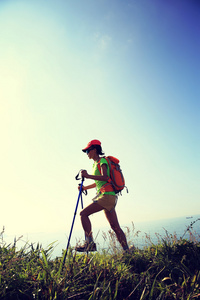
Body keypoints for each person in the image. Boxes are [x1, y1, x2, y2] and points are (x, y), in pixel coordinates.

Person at [75, 139, 129, 252]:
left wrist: (88, 176)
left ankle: (90, 244)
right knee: (115, 227)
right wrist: (85, 188)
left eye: (88, 151)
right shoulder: (95, 164)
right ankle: (127, 251)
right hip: (109, 196)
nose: (87, 153)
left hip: (106, 196)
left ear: (94, 150)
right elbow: (99, 183)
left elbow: (105, 177)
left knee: (83, 214)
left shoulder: (102, 161)